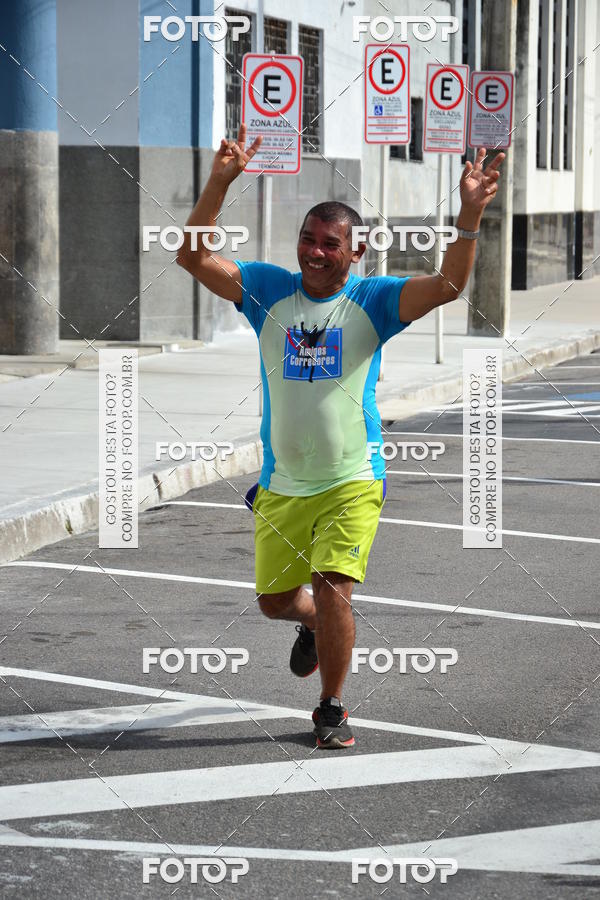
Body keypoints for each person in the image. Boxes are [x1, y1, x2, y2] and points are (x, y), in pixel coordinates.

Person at [177, 124, 504, 749]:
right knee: (277, 601)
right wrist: (219, 183)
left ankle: (331, 705)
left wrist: (468, 216)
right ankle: (308, 626)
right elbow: (192, 257)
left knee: (333, 587)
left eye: (331, 244)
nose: (315, 252)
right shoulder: (268, 291)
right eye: (308, 239)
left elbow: (449, 286)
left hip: (354, 477)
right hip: (282, 483)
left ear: (356, 254)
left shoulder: (374, 300)